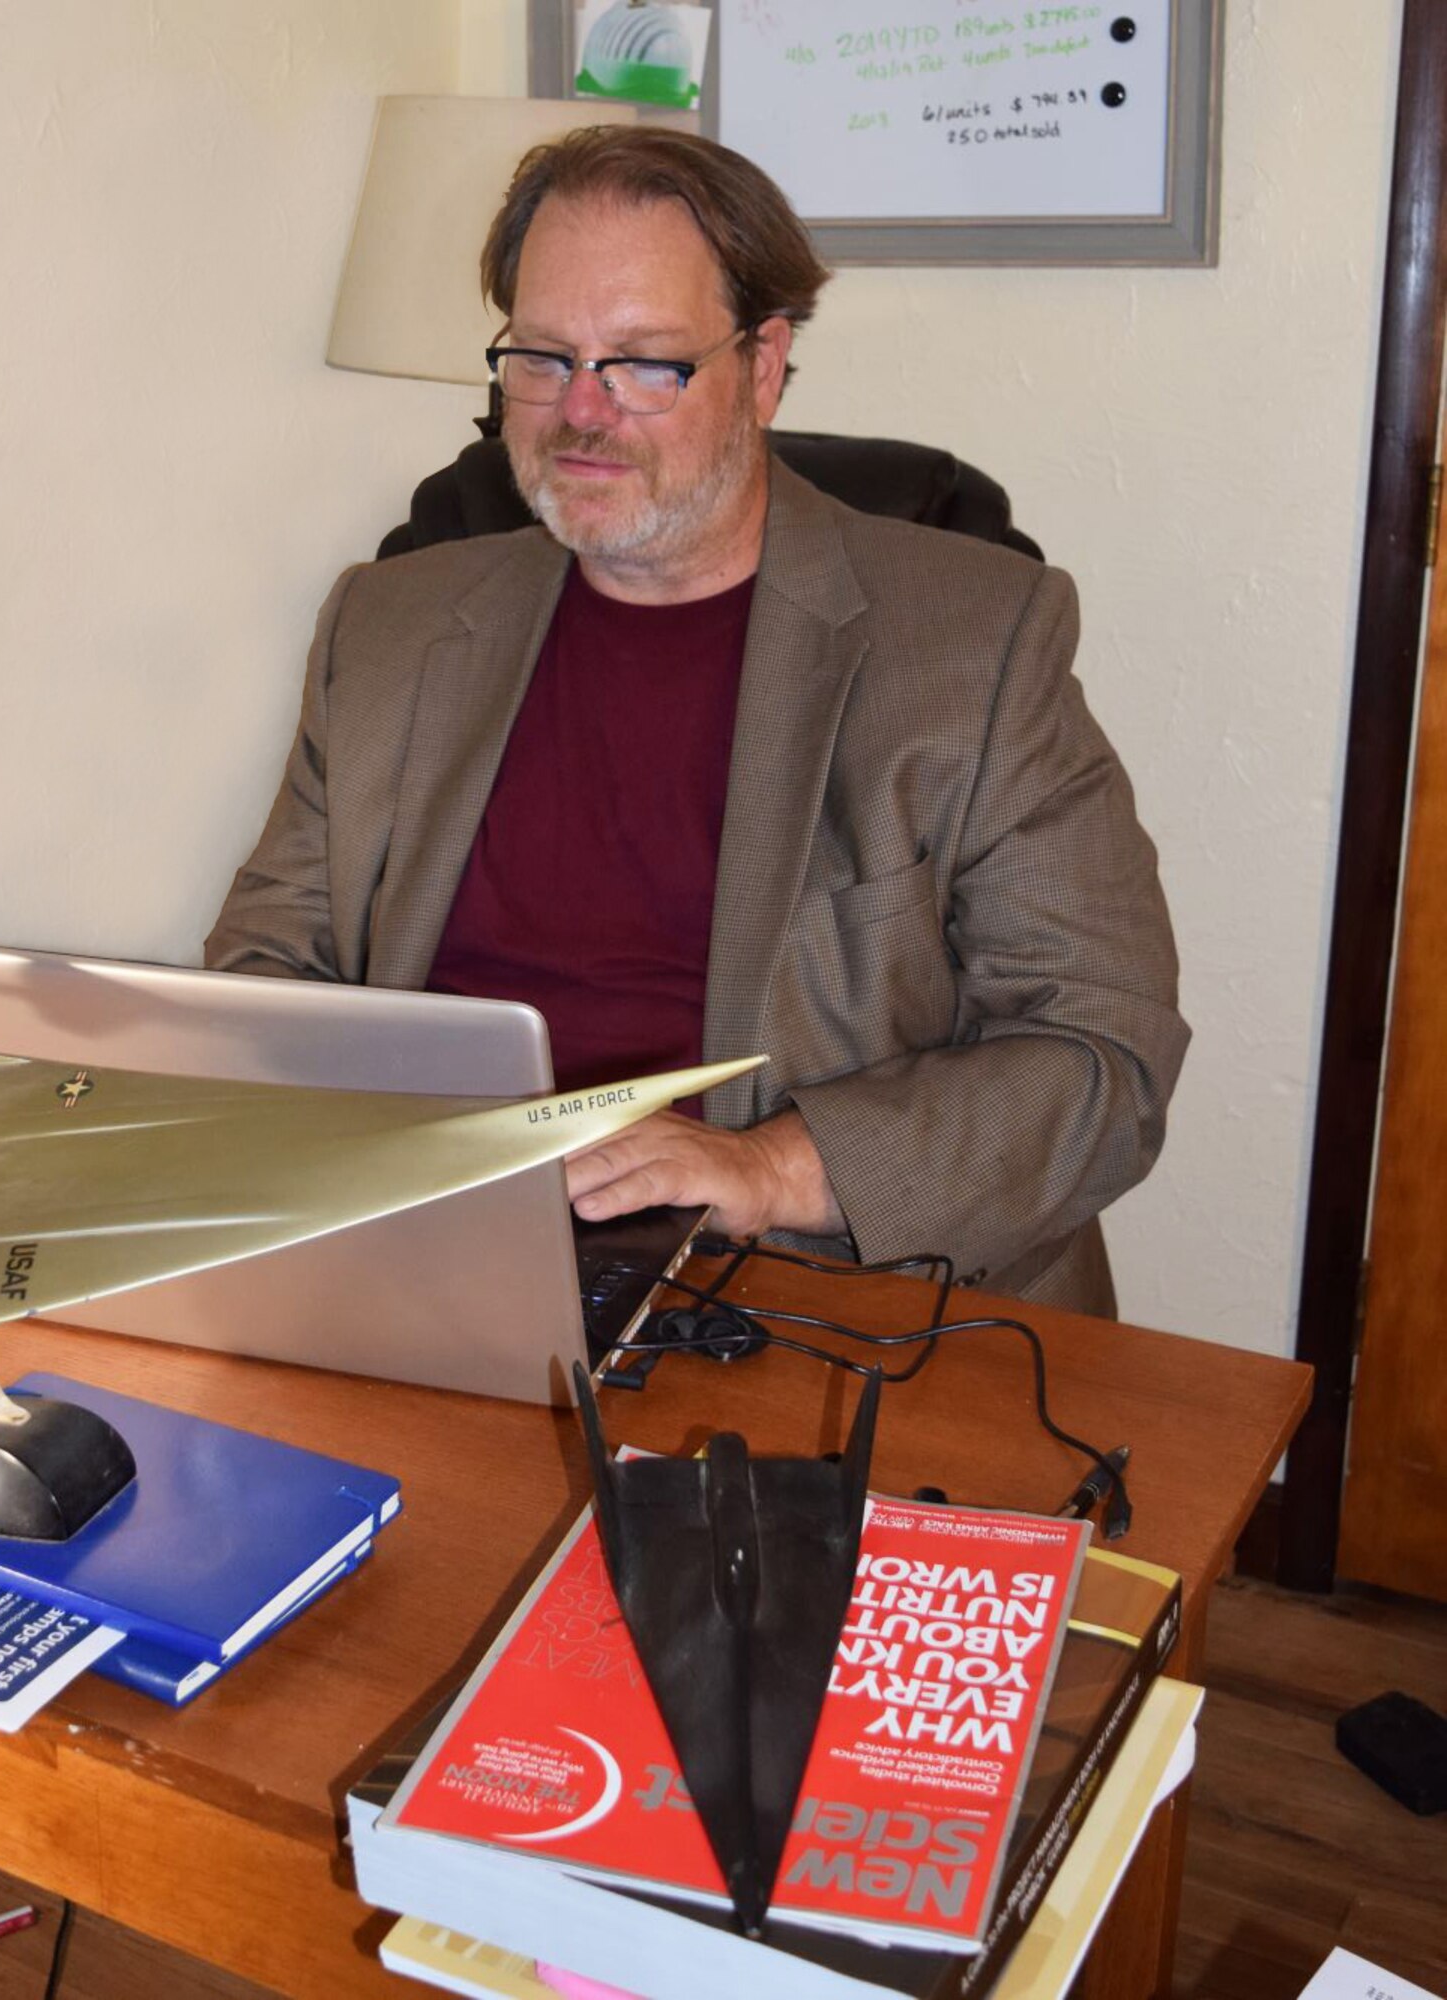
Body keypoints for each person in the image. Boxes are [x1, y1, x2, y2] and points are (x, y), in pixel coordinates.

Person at [205, 127, 1188, 1316]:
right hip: (441, 1251)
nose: (579, 412)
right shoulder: (391, 624)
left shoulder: (974, 641)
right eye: (542, 356)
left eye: (643, 363)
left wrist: (768, 1166)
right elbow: (265, 969)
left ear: (763, 367)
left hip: (807, 1286)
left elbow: (1102, 1052)